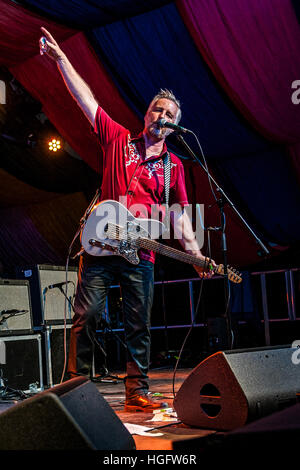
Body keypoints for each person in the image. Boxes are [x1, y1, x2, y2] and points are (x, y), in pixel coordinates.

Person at [39, 27, 216, 412]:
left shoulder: (173, 168)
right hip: (101, 246)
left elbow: (179, 217)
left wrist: (197, 253)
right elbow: (87, 101)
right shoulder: (119, 139)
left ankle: (137, 392)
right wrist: (62, 60)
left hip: (142, 255)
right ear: (146, 113)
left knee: (139, 323)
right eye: (157, 109)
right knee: (86, 316)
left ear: (174, 124)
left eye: (169, 114)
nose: (162, 116)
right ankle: (74, 391)